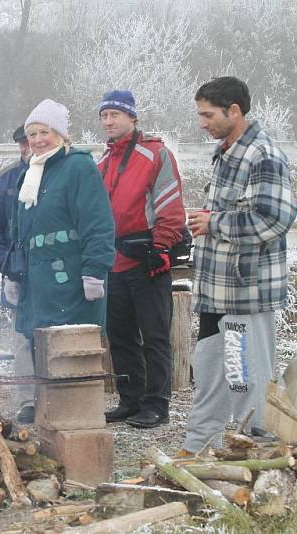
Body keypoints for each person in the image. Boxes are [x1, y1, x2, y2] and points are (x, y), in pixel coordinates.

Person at [180, 77, 296, 454]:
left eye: (208, 114)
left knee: (244, 375)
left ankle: (257, 453)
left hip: (246, 293)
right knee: (212, 369)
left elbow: (275, 220)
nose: (202, 123)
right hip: (217, 291)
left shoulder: (263, 155)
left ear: (235, 111)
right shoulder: (227, 152)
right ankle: (199, 446)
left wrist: (214, 223)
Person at [97, 90, 186, 429]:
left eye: (115, 115)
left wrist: (162, 247)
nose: (108, 121)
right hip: (113, 259)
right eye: (104, 115)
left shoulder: (155, 154)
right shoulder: (102, 162)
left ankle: (157, 403)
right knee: (119, 335)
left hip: (147, 256)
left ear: (132, 118)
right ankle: (130, 399)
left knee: (155, 335)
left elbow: (170, 205)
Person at [13, 99, 114, 347]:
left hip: (70, 283)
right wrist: (12, 274)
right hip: (36, 288)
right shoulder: (29, 175)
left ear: (59, 134)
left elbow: (98, 224)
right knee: (42, 359)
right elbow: (18, 232)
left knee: (71, 357)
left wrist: (94, 272)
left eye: (44, 132)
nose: (37, 140)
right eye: (32, 134)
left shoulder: (78, 166)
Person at [0, 125, 36, 423]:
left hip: (55, 272)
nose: (28, 147)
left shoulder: (64, 175)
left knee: (53, 335)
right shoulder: (3, 181)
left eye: (34, 140)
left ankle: (58, 396)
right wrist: (5, 265)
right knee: (21, 337)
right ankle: (28, 400)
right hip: (16, 272)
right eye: (23, 142)